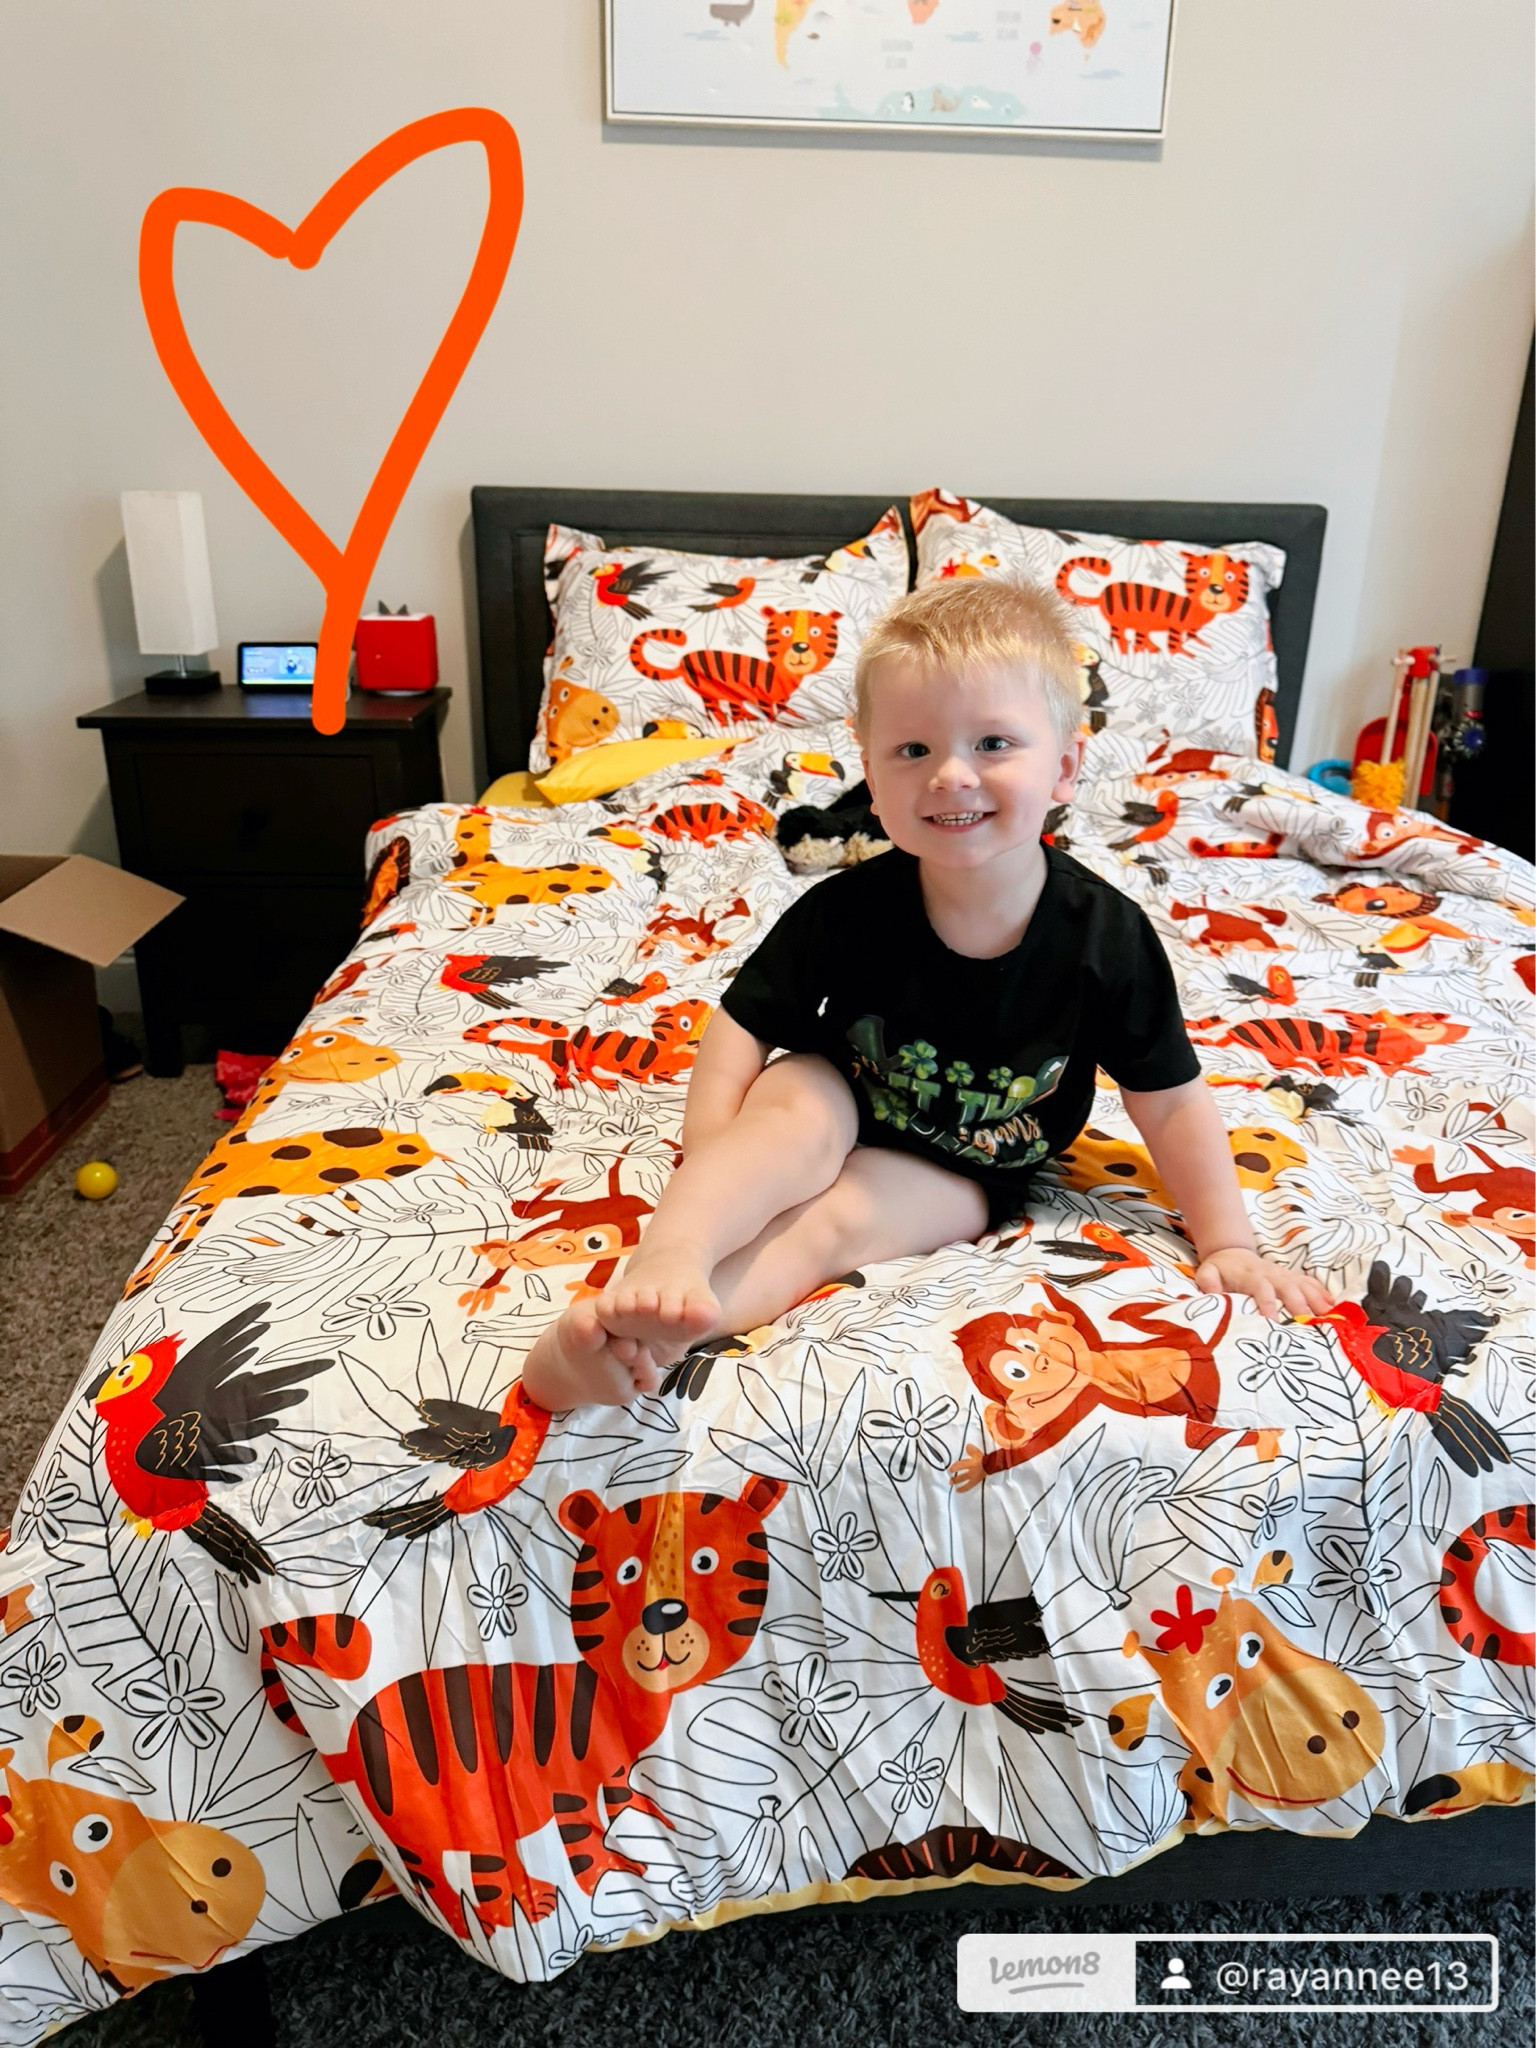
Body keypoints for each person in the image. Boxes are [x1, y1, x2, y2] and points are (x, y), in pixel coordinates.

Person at [521, 578, 1333, 1410]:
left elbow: (1172, 1100)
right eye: (912, 750)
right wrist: (711, 1158)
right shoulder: (845, 910)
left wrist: (1228, 1243)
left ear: (1064, 766)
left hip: (973, 1165)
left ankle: (639, 1345)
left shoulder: (1106, 937)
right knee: (787, 1121)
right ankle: (669, 1257)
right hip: (842, 1087)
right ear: (870, 780)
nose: (950, 775)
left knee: (832, 1229)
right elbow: (742, 1025)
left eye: (993, 743)